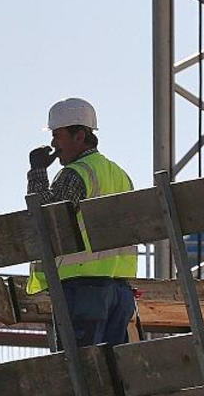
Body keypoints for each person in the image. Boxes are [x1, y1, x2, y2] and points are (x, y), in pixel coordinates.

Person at [25, 97, 138, 347]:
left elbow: (47, 221)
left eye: (58, 135)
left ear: (79, 136)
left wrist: (37, 172)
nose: (53, 144)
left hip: (85, 292)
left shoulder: (76, 174)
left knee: (80, 373)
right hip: (120, 293)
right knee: (114, 373)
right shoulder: (119, 175)